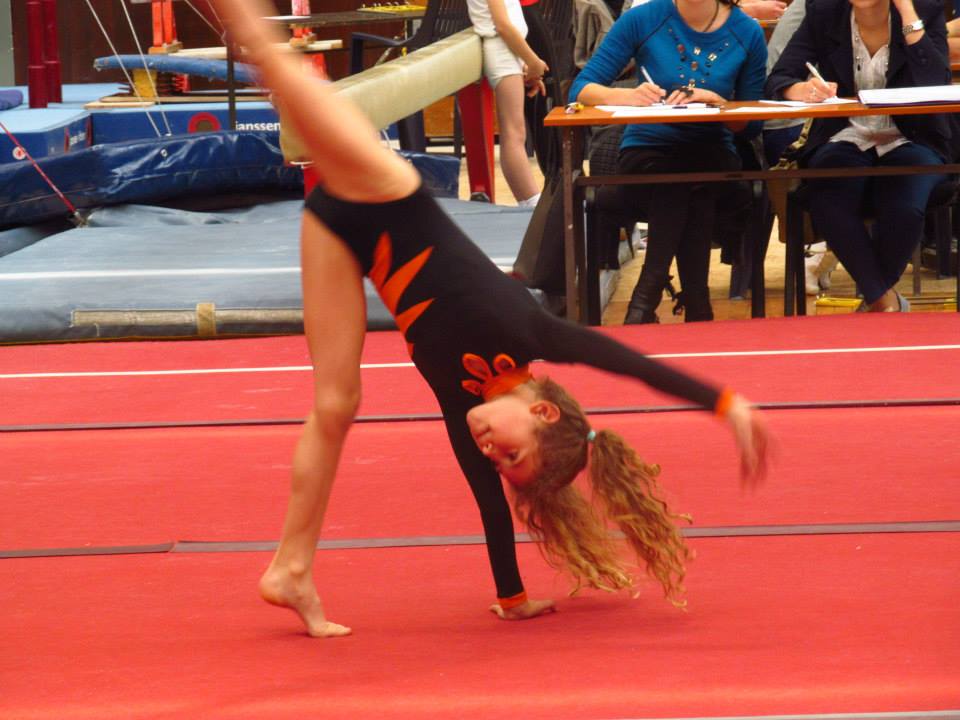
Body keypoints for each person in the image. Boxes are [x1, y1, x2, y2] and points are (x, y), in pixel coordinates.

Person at [209, 0, 769, 638]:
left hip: (340, 236)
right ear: (543, 411)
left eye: (501, 464)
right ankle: (251, 26)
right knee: (275, 68)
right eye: (511, 453)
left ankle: (291, 568)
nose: (491, 455)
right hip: (386, 193)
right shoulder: (525, 331)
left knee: (336, 403)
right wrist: (724, 404)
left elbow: (490, 504)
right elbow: (626, 360)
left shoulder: (466, 404)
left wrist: (513, 595)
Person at [570, 0, 768, 324]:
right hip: (647, 149)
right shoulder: (642, 19)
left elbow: (752, 125)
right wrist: (627, 96)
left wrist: (718, 102)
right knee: (686, 182)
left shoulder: (747, 31)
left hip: (712, 150)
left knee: (688, 176)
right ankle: (696, 303)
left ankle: (644, 300)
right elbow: (580, 89)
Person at [765, 0, 951, 312]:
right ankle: (884, 301)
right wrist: (800, 89)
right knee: (828, 200)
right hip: (846, 135)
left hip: (912, 137)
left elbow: (936, 80)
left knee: (905, 206)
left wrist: (907, 12)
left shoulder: (924, 10)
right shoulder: (824, 12)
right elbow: (779, 78)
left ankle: (877, 299)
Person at [468, 0, 548, 207]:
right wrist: (533, 61)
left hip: (509, 49)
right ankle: (530, 201)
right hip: (502, 49)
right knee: (514, 132)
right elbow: (502, 25)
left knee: (516, 131)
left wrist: (525, 61)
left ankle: (531, 201)